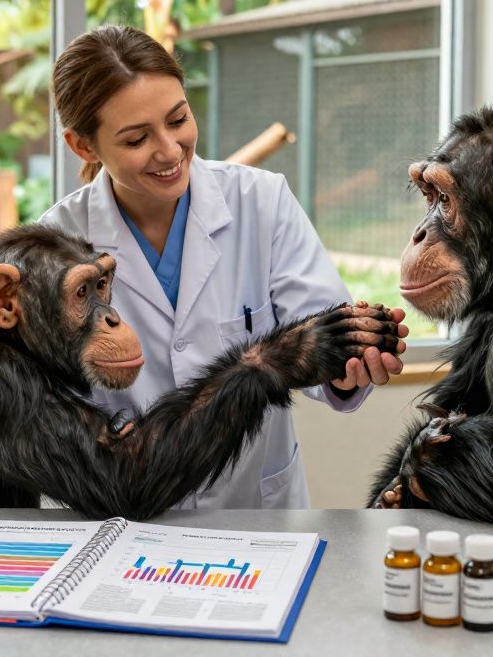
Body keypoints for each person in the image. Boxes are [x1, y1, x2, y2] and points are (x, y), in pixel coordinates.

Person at [39, 25, 408, 510]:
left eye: (178, 120)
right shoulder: (55, 245)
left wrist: (348, 362)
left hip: (254, 507)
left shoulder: (262, 200)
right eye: (136, 139)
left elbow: (320, 335)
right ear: (83, 146)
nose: (170, 150)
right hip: (127, 517)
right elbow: (53, 412)